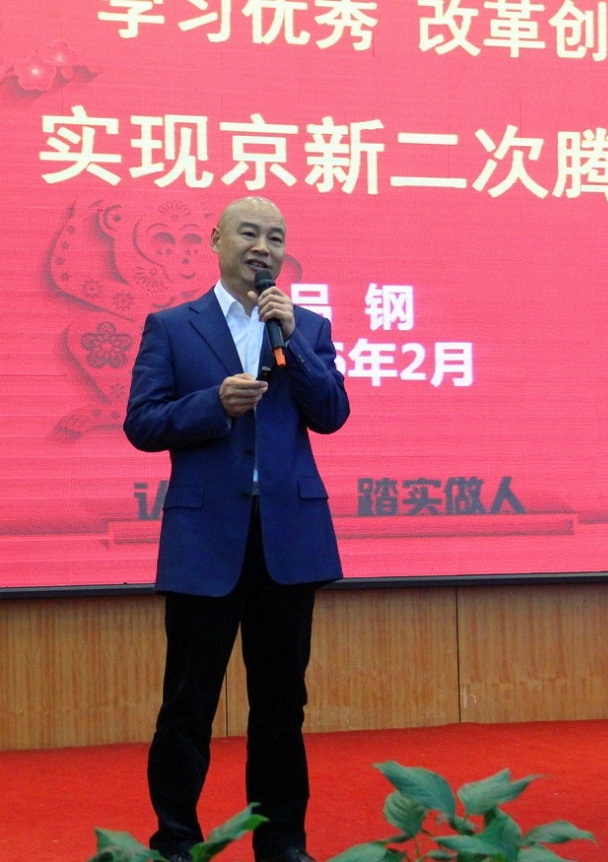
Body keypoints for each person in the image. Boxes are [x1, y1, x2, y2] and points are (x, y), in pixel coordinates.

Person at [123, 196, 350, 862]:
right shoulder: (172, 327)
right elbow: (143, 422)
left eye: (275, 238)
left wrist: (296, 347)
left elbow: (333, 413)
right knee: (187, 703)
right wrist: (213, 404)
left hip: (288, 541)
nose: (263, 247)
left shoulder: (305, 327)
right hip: (205, 542)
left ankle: (282, 841)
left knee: (281, 704)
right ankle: (175, 840)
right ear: (217, 240)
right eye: (249, 233)